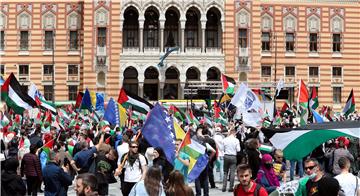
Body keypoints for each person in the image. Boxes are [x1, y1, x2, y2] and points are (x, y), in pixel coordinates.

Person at [222, 126, 241, 192]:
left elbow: (222, 149)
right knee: (232, 172)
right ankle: (231, 187)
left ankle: (224, 187)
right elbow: (238, 150)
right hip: (233, 156)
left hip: (226, 155)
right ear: (234, 133)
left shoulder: (225, 139)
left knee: (225, 172)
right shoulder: (236, 140)